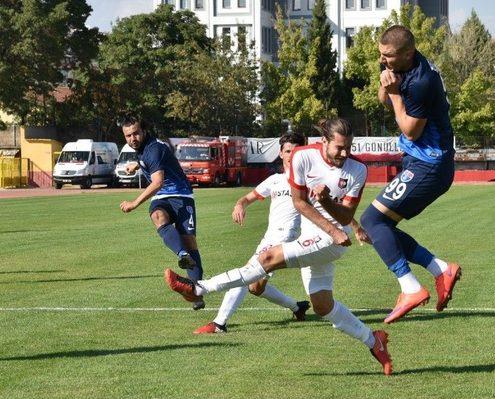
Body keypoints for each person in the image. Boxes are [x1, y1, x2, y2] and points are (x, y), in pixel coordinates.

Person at [164, 118, 393, 375]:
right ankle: (374, 341)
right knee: (322, 305)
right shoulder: (302, 157)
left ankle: (198, 288)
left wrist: (329, 209)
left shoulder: (357, 169)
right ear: (324, 142)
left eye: (348, 147)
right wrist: (328, 223)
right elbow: (300, 203)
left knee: (266, 259)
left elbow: (343, 216)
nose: (344, 153)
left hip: (332, 240)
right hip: (317, 235)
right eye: (339, 147)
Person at [358, 25, 460, 324]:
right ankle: (441, 269)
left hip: (430, 165)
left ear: (408, 54)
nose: (383, 60)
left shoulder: (421, 82)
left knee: (372, 221)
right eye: (381, 55)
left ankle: (411, 287)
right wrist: (387, 85)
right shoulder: (400, 63)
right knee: (380, 227)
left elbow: (411, 131)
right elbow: (383, 99)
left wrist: (395, 94)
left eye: (388, 56)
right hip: (421, 162)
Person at [195, 133, 311, 334]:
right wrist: (239, 205)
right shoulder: (274, 180)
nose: (292, 155)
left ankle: (219, 322)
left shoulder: (309, 179)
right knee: (256, 287)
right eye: (287, 151)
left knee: (247, 273)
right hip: (270, 237)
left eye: (296, 150)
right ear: (281, 154)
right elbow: (247, 198)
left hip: (287, 237)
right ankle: (297, 307)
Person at [118, 115, 205, 310]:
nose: (133, 138)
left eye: (136, 133)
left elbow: (157, 182)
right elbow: (149, 165)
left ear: (144, 131)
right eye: (128, 135)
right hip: (162, 199)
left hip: (182, 196)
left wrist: (134, 203)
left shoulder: (153, 149)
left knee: (190, 243)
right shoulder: (143, 150)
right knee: (158, 216)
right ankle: (182, 254)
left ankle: (197, 294)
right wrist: (137, 165)